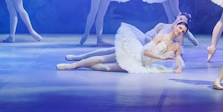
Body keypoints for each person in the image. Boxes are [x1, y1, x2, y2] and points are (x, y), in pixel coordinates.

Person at [57, 21, 187, 73]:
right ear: (176, 26)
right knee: (104, 58)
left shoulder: (176, 46)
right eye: (180, 28)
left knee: (107, 68)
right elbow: (146, 51)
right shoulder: (161, 36)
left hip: (143, 65)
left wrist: (179, 68)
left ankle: (84, 65)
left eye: (183, 31)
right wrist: (161, 58)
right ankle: (73, 66)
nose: (180, 31)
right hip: (136, 54)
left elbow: (178, 59)